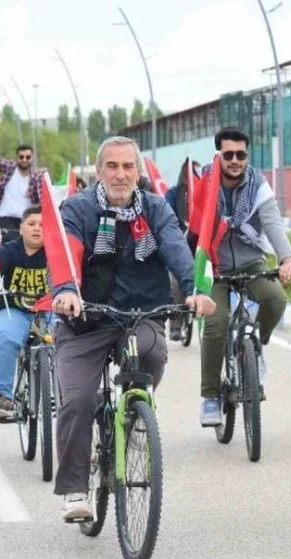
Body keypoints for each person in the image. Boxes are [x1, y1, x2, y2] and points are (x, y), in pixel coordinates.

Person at [50, 136, 216, 521]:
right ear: (99, 171)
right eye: (112, 166)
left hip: (141, 315)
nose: (120, 175)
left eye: (128, 167)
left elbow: (177, 249)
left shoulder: (157, 210)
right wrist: (65, 291)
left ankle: (133, 416)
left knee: (153, 353)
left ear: (138, 172)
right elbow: (66, 254)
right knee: (77, 401)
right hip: (85, 320)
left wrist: (195, 290)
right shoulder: (78, 208)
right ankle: (75, 488)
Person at [199, 127, 291, 426]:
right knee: (216, 325)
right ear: (219, 155)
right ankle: (210, 397)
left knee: (276, 299)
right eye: (228, 154)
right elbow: (191, 224)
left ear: (247, 156)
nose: (234, 161)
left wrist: (287, 258)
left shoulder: (258, 186)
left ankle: (255, 348)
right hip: (214, 267)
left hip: (250, 262)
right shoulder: (205, 183)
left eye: (240, 155)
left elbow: (272, 223)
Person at [0, 206, 49, 419]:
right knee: (4, 338)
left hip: (49, 310)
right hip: (15, 310)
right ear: (21, 228)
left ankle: (70, 394)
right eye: (31, 224)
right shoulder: (8, 251)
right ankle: (3, 396)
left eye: (42, 225)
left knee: (64, 342)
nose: (37, 229)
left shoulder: (55, 253)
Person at [162, 159, 201, 341]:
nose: (191, 177)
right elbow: (165, 216)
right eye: (188, 173)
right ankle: (175, 325)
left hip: (199, 245)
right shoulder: (173, 194)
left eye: (194, 173)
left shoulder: (203, 193)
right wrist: (180, 227)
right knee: (175, 283)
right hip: (178, 244)